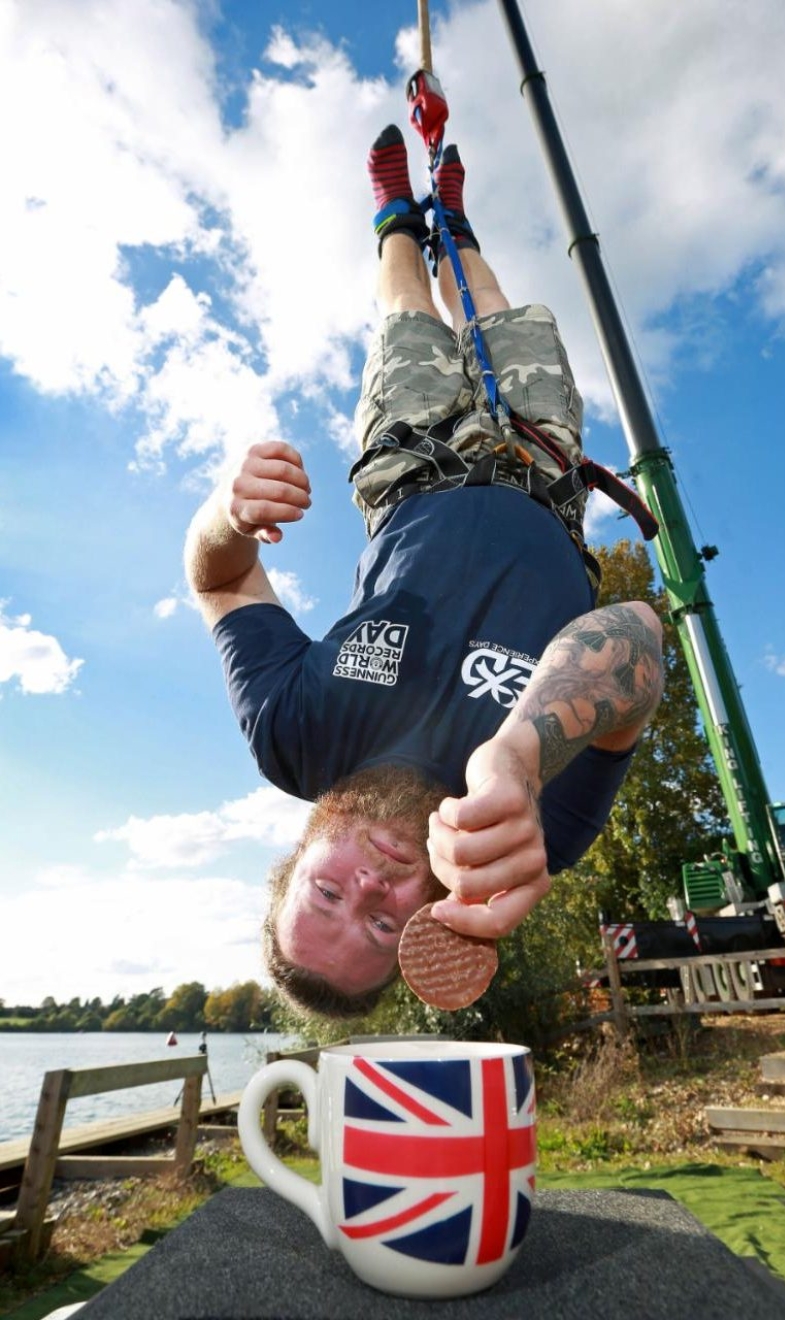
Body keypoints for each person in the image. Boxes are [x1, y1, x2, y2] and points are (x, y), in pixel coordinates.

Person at [184, 125, 664, 1018]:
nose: (371, 885)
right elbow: (637, 632)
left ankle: (399, 218)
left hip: (410, 466)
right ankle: (463, 227)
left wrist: (226, 511)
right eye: (379, 925)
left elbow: (220, 583)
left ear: (296, 862)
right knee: (502, 312)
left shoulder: (294, 733)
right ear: (425, 926)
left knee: (405, 313)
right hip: (540, 465)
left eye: (328, 894)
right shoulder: (524, 833)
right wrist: (519, 759)